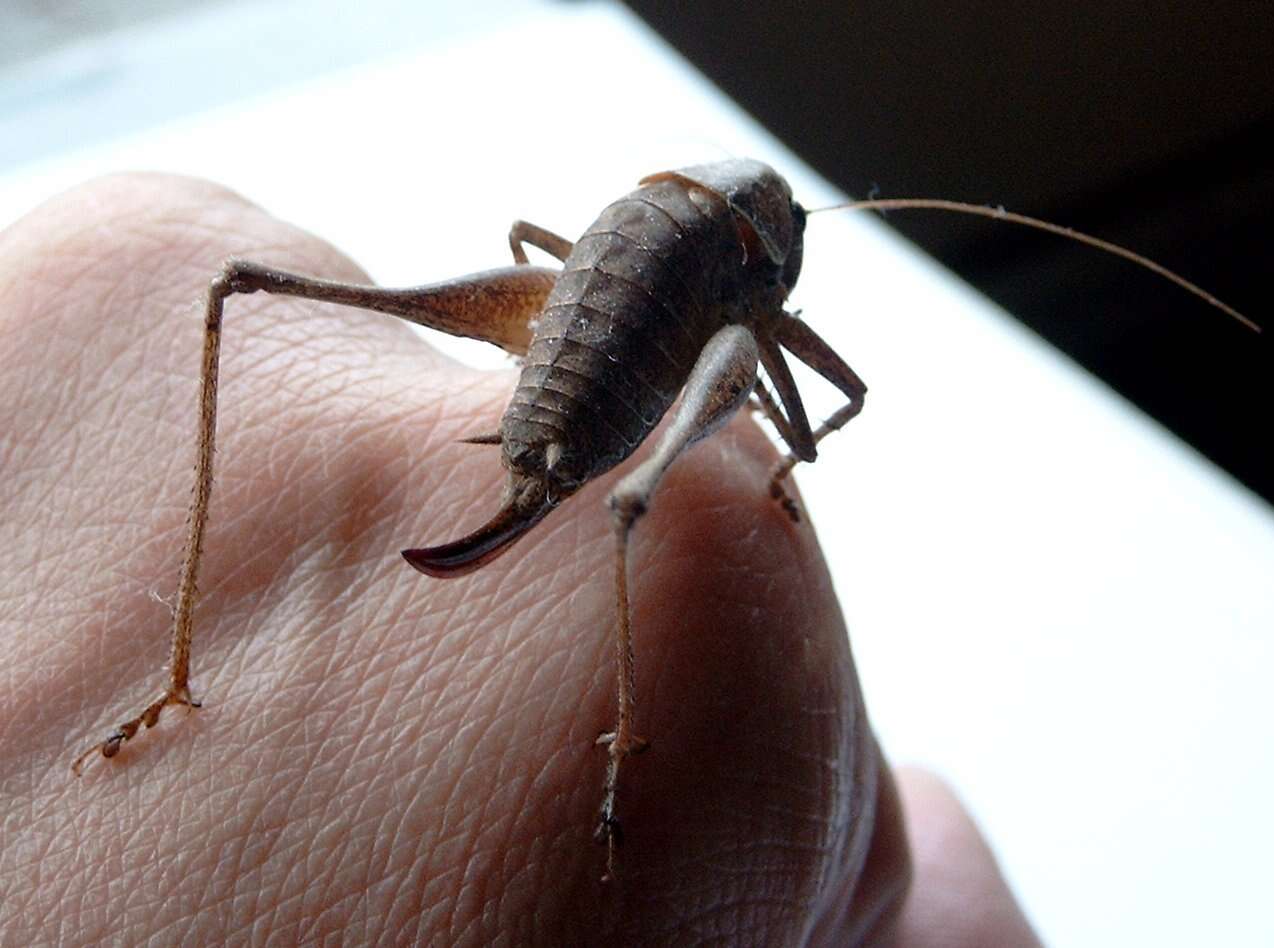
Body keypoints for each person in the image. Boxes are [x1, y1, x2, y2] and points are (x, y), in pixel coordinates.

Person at [0, 175, 1040, 946]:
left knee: (241, 287)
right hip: (595, 379)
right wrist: (781, 466)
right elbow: (832, 403)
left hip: (561, 324)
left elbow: (542, 245)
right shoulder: (749, 286)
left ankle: (178, 683)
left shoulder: (657, 207)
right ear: (768, 245)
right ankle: (619, 749)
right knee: (639, 501)